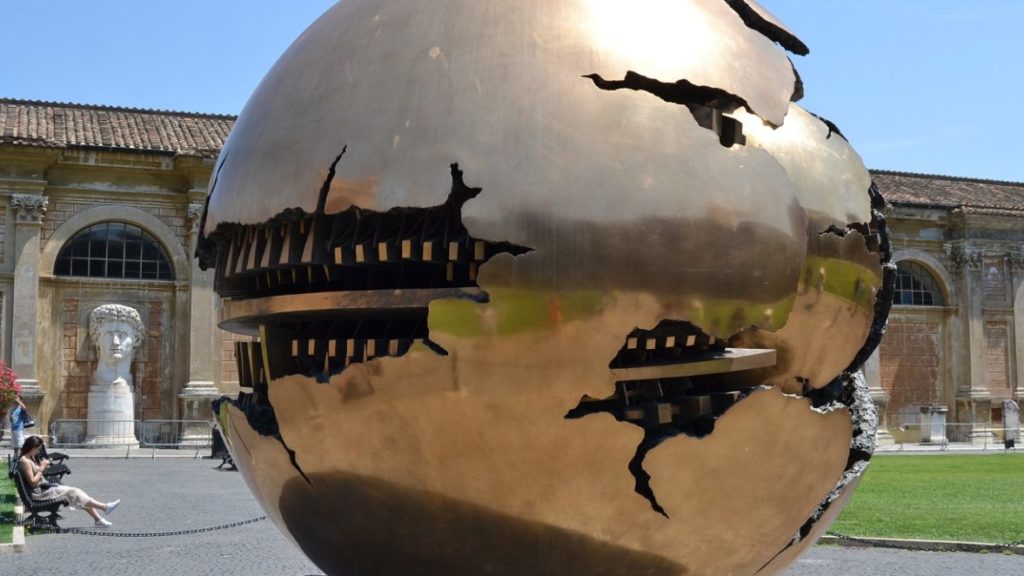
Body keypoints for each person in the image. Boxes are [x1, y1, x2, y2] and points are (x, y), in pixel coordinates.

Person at [17, 435, 121, 527]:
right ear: (32, 447)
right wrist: (42, 467)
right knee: (75, 493)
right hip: (39, 494)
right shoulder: (25, 461)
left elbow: (34, 477)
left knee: (77, 493)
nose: (38, 451)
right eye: (38, 449)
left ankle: (99, 517)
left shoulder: (29, 458)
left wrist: (41, 466)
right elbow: (32, 482)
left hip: (43, 489)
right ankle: (104, 509)